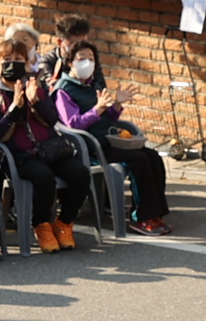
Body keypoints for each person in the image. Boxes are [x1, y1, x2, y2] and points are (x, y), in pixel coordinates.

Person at [0, 36, 89, 251]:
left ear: (27, 62)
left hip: (50, 149)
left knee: (80, 174)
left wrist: (36, 101)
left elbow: (51, 120)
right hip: (18, 154)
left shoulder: (36, 87)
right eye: (6, 59)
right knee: (43, 178)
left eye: (18, 58)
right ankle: (41, 225)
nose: (12, 63)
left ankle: (64, 222)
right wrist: (14, 109)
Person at [53, 37, 171, 232]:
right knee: (139, 160)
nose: (87, 63)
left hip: (108, 140)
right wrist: (96, 110)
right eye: (81, 58)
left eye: (91, 59)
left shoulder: (94, 85)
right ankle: (140, 217)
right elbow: (72, 124)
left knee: (153, 156)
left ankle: (155, 213)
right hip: (90, 148)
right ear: (70, 62)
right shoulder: (63, 91)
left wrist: (116, 104)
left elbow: (111, 119)